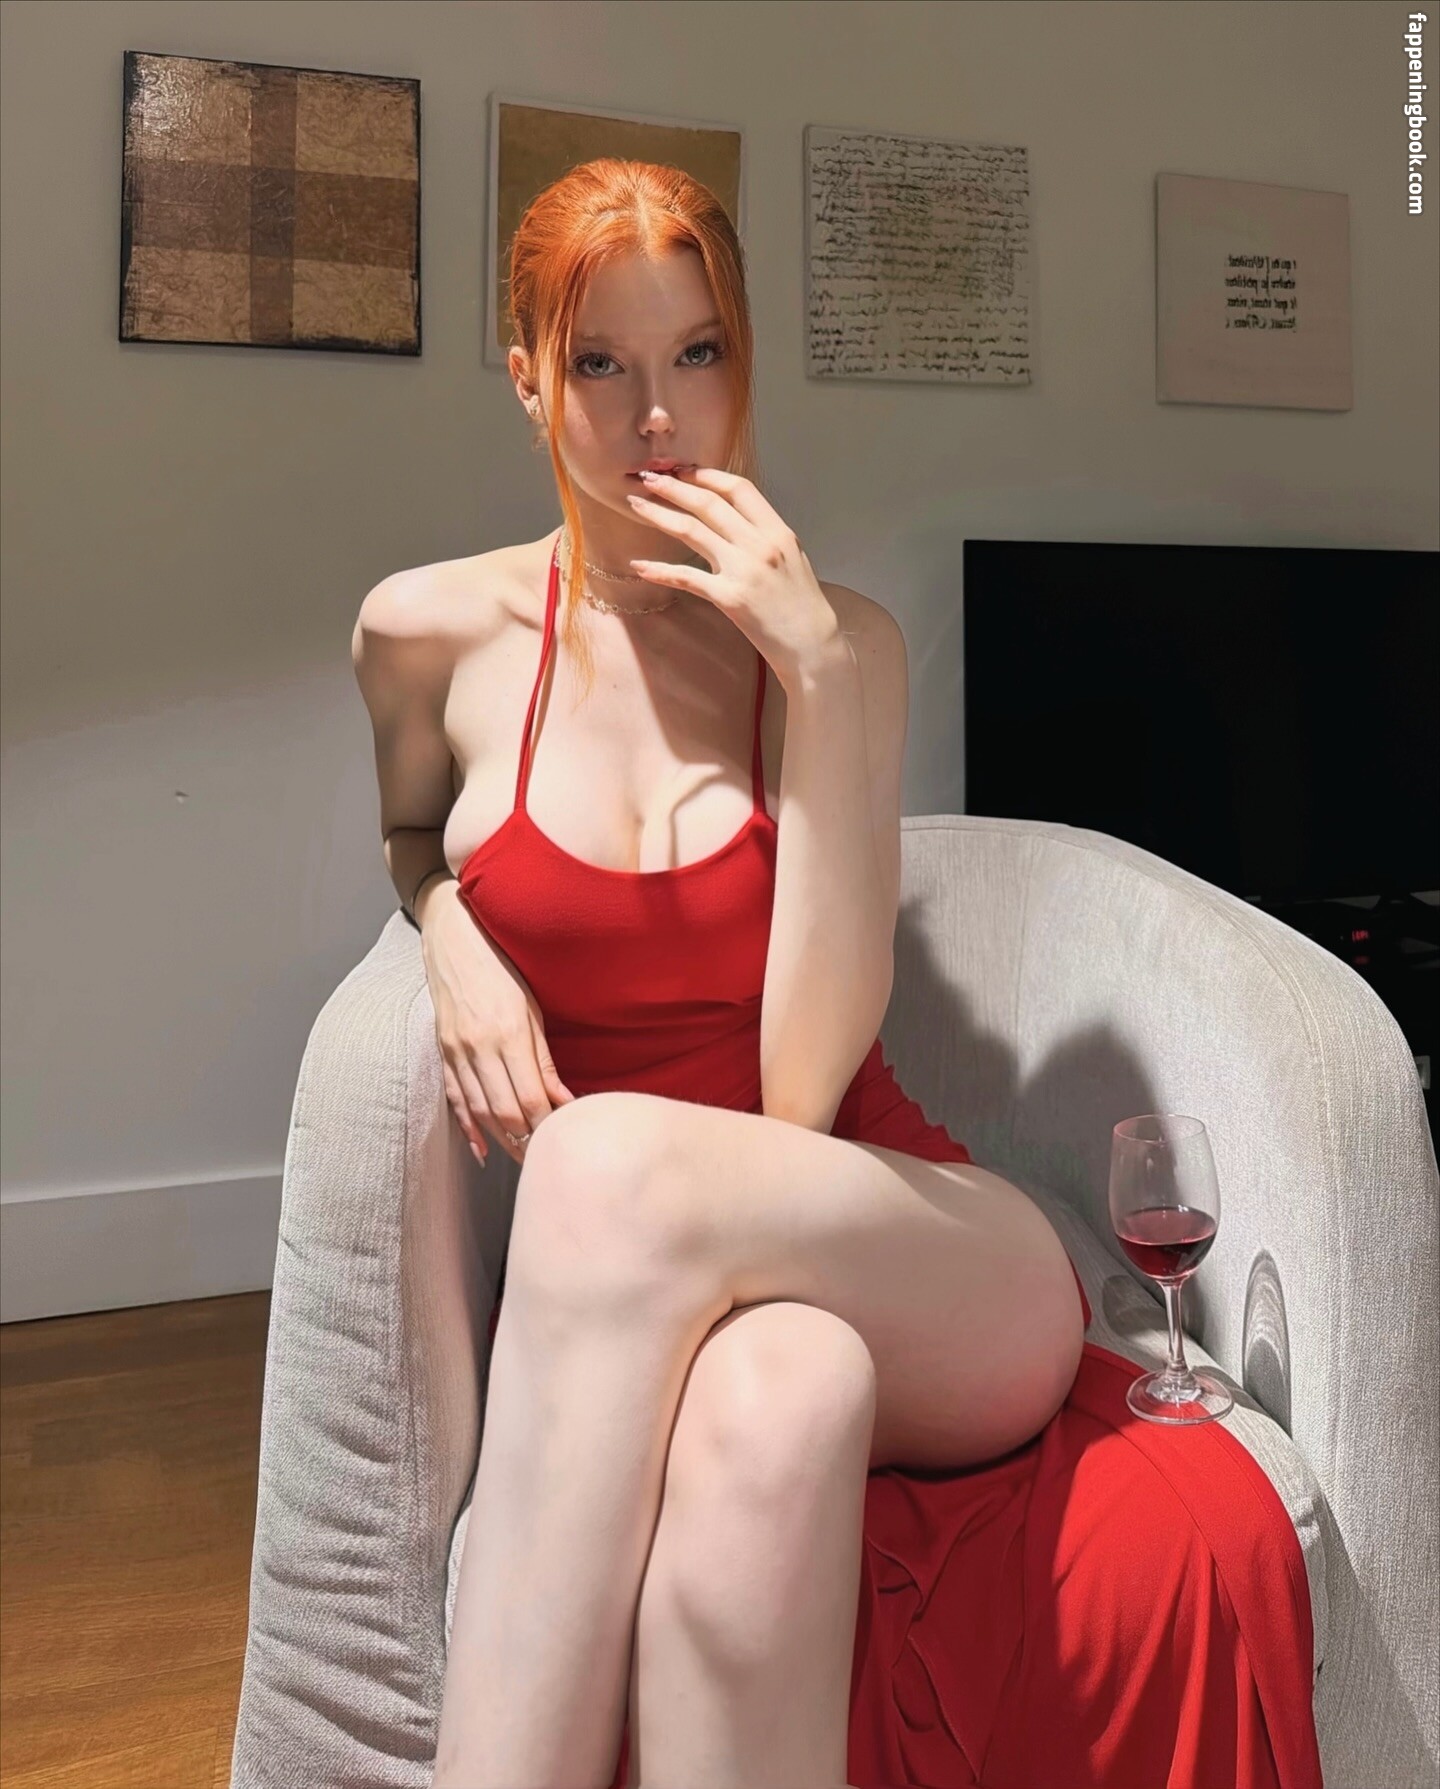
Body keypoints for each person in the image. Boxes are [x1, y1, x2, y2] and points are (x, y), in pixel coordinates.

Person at [352, 161, 1321, 1789]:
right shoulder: (423, 634)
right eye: (602, 364)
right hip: (680, 1298)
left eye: (701, 353)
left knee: (599, 1156)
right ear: (525, 376)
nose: (661, 416)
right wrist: (448, 927)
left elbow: (801, 1090)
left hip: (926, 1253)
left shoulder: (844, 645)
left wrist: (808, 671)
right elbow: (404, 831)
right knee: (778, 1398)